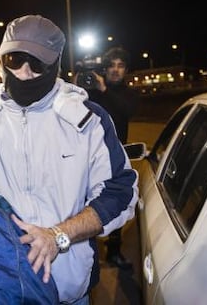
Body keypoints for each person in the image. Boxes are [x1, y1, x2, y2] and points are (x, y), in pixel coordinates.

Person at [0, 14, 139, 304]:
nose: (24, 72)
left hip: (64, 290)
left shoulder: (87, 120)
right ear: (2, 58)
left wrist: (59, 235)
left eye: (37, 62)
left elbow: (121, 191)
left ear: (55, 63)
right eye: (15, 60)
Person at [82, 47, 140, 270]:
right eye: (112, 65)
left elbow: (126, 111)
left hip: (116, 157)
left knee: (115, 202)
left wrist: (104, 89)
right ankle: (86, 248)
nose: (116, 70)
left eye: (121, 65)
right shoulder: (91, 91)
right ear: (104, 69)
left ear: (126, 70)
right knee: (85, 205)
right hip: (88, 156)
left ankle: (114, 251)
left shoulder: (128, 94)